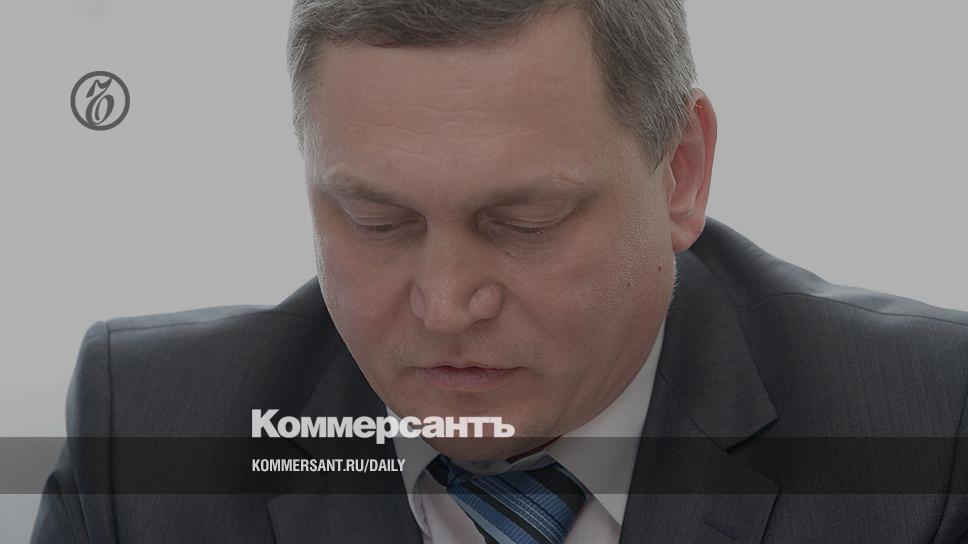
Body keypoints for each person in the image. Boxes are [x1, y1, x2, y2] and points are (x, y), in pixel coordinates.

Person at [32, 1, 968, 543]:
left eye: (525, 223)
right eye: (377, 221)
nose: (446, 307)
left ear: (680, 171)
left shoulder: (930, 435)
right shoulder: (146, 440)